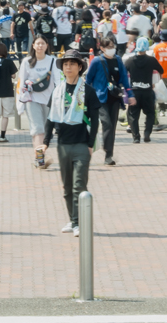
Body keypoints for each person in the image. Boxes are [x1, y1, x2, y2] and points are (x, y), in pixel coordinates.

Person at [45, 49, 99, 236]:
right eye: (66, 64)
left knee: (79, 185)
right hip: (63, 145)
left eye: (72, 64)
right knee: (67, 187)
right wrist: (45, 142)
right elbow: (50, 118)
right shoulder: (57, 91)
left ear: (79, 67)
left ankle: (80, 223)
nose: (68, 67)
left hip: (81, 144)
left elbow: (95, 120)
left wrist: (90, 145)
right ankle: (73, 220)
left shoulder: (88, 91)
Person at [86, 36, 135, 166]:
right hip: (100, 98)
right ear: (102, 48)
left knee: (112, 127)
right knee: (106, 123)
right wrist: (86, 97)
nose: (111, 49)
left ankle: (109, 155)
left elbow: (124, 79)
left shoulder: (118, 60)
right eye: (108, 47)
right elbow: (88, 80)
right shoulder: (96, 61)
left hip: (115, 98)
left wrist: (130, 94)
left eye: (113, 46)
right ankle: (106, 148)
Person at [18, 34, 58, 167]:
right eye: (38, 43)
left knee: (46, 130)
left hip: (49, 100)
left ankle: (39, 156)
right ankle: (40, 159)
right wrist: (20, 103)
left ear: (47, 46)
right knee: (37, 129)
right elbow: (21, 82)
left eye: (43, 43)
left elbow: (58, 81)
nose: (40, 46)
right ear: (33, 46)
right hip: (32, 99)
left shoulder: (53, 60)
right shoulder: (27, 61)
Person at [125, 37, 163, 143]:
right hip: (147, 91)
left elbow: (122, 73)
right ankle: (147, 133)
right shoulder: (151, 60)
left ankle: (136, 137)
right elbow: (161, 70)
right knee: (150, 113)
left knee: (133, 115)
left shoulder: (129, 61)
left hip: (134, 92)